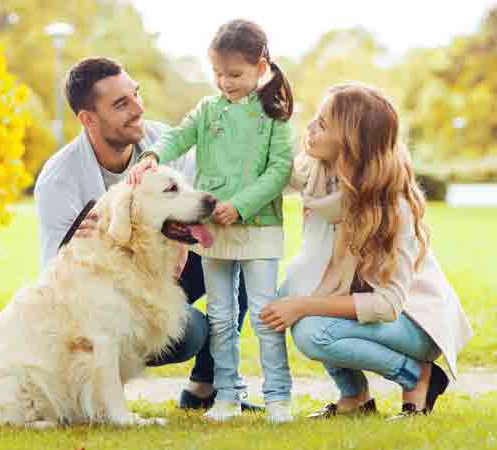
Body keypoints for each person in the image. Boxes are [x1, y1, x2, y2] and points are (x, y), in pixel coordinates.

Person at [33, 56, 260, 412]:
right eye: (121, 104)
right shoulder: (60, 180)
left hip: (165, 262)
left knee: (240, 261)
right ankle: (103, 390)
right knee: (191, 333)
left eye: (135, 94)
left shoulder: (161, 140)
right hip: (106, 291)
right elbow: (53, 275)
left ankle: (205, 388)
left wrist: (182, 243)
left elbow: (195, 203)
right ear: (88, 119)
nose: (138, 108)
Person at [259, 84, 473, 419]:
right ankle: (355, 397)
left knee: (312, 330)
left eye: (323, 125)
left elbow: (388, 305)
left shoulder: (391, 205)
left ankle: (417, 375)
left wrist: (303, 305)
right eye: (315, 118)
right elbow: (271, 176)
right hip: (362, 299)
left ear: (351, 144)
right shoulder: (320, 172)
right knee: (300, 290)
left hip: (413, 321)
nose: (311, 128)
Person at [129, 19, 295, 423]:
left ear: (261, 66)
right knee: (221, 316)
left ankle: (278, 398)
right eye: (218, 74)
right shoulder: (207, 110)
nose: (225, 83)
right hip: (215, 233)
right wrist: (152, 155)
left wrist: (240, 205)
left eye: (234, 74)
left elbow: (279, 171)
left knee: (263, 314)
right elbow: (177, 136)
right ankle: (226, 395)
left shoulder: (275, 115)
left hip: (258, 229)